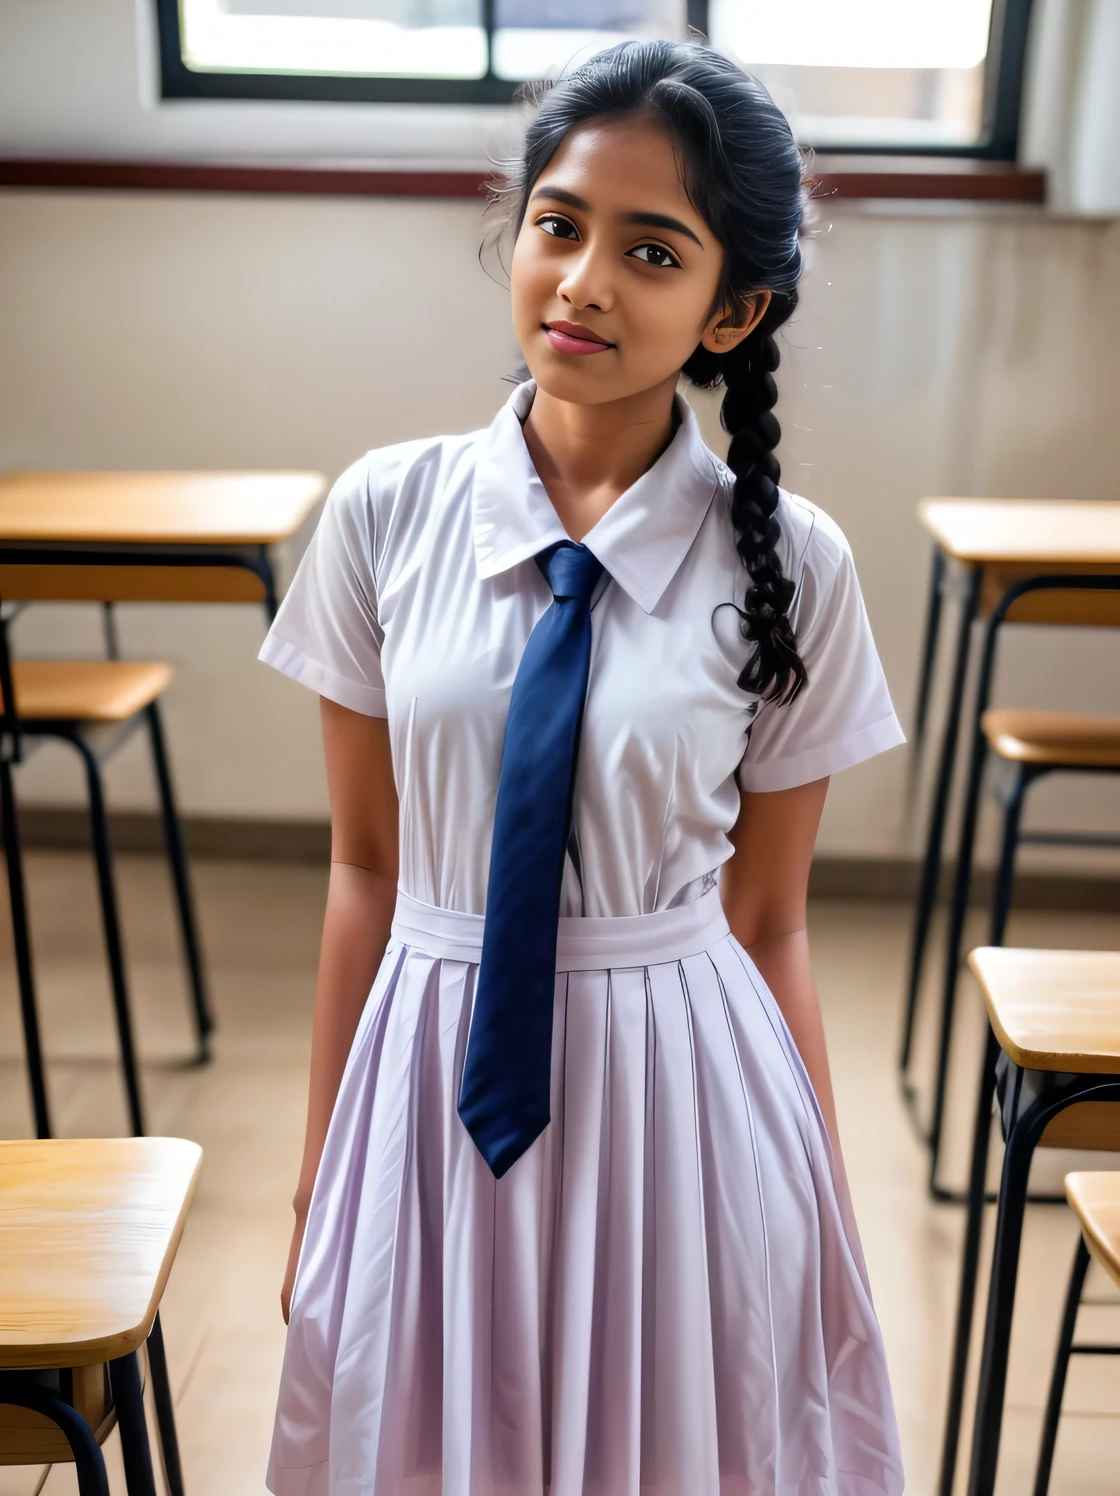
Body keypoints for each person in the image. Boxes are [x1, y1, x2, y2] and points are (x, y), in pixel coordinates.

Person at [260, 38, 906, 1496]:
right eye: (559, 225)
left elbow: (769, 921)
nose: (583, 283)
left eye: (651, 250)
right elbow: (367, 866)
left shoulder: (796, 564)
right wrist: (320, 1175)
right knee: (417, 1436)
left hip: (672, 1088)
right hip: (429, 1069)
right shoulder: (385, 513)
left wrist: (819, 1203)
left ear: (732, 309)